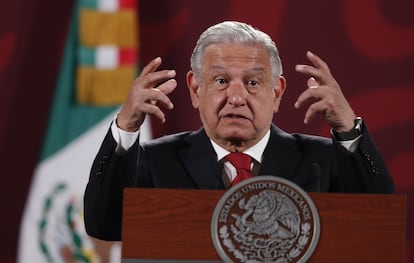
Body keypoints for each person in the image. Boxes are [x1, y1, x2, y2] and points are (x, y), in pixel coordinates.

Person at [84, 21, 394, 241]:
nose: (236, 97)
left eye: (253, 82)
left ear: (277, 93)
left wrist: (348, 131)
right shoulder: (154, 160)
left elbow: (382, 227)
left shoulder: (322, 161)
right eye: (220, 81)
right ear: (195, 89)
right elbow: (104, 225)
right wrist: (125, 129)